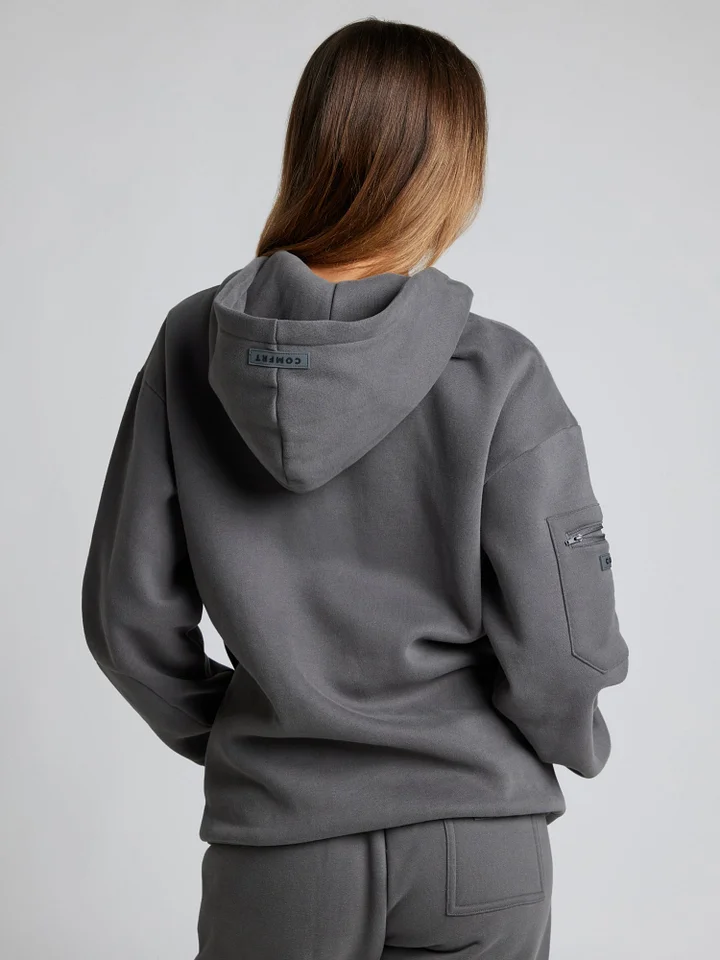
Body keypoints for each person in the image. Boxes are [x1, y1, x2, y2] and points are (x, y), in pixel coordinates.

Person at [81, 16, 629, 960]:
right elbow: (566, 643)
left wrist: (260, 742)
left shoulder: (190, 347)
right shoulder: (497, 370)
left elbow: (126, 621)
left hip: (278, 845)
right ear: (454, 171)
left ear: (309, 145)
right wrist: (570, 740)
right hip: (474, 838)